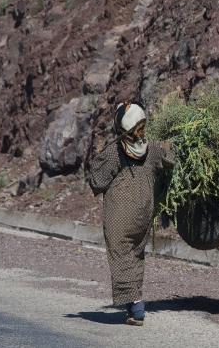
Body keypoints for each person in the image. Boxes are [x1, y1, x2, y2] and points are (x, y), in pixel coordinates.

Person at [88, 101, 174, 326]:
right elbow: (171, 160)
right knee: (135, 255)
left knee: (120, 255)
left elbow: (97, 181)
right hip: (144, 215)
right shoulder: (153, 149)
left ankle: (136, 306)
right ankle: (133, 308)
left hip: (120, 216)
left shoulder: (116, 152)